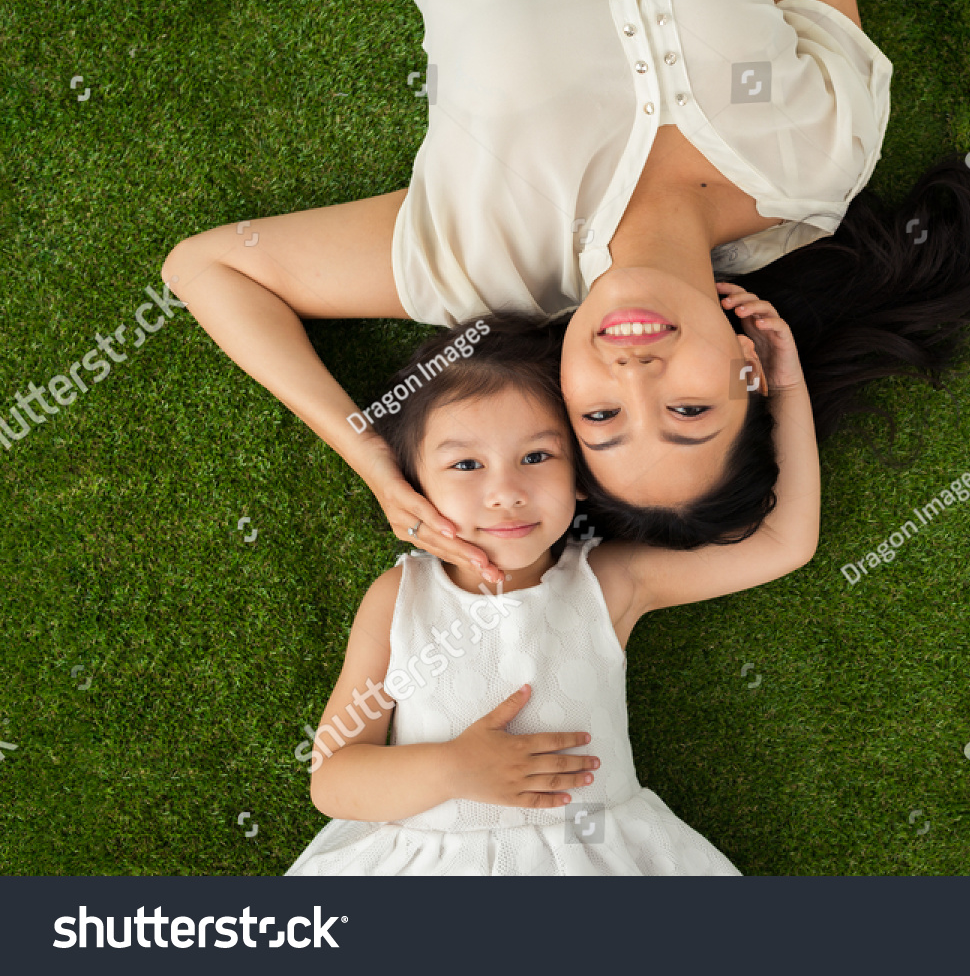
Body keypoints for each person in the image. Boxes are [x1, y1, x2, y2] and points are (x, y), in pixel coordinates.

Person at [161, 0, 970, 570]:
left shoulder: (483, 254)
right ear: (750, 367)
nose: (635, 372)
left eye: (602, 418)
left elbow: (208, 269)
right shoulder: (819, 157)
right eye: (688, 407)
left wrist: (372, 459)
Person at [286, 285, 815, 874]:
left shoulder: (610, 582)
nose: (506, 491)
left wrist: (786, 388)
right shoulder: (400, 598)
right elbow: (333, 776)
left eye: (537, 457)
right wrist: (453, 768)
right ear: (413, 485)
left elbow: (781, 543)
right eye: (465, 465)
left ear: (583, 472)